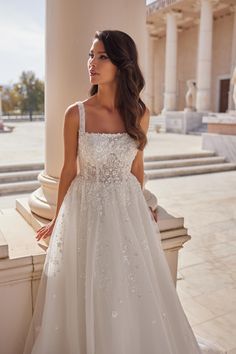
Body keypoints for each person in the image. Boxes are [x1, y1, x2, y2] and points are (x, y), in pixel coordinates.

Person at [23, 30, 225, 354]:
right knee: (90, 288)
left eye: (102, 56)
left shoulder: (139, 113)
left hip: (127, 208)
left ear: (121, 63)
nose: (92, 62)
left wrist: (143, 202)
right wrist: (58, 219)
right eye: (91, 55)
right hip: (86, 208)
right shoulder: (76, 113)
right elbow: (69, 170)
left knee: (128, 287)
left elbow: (137, 167)